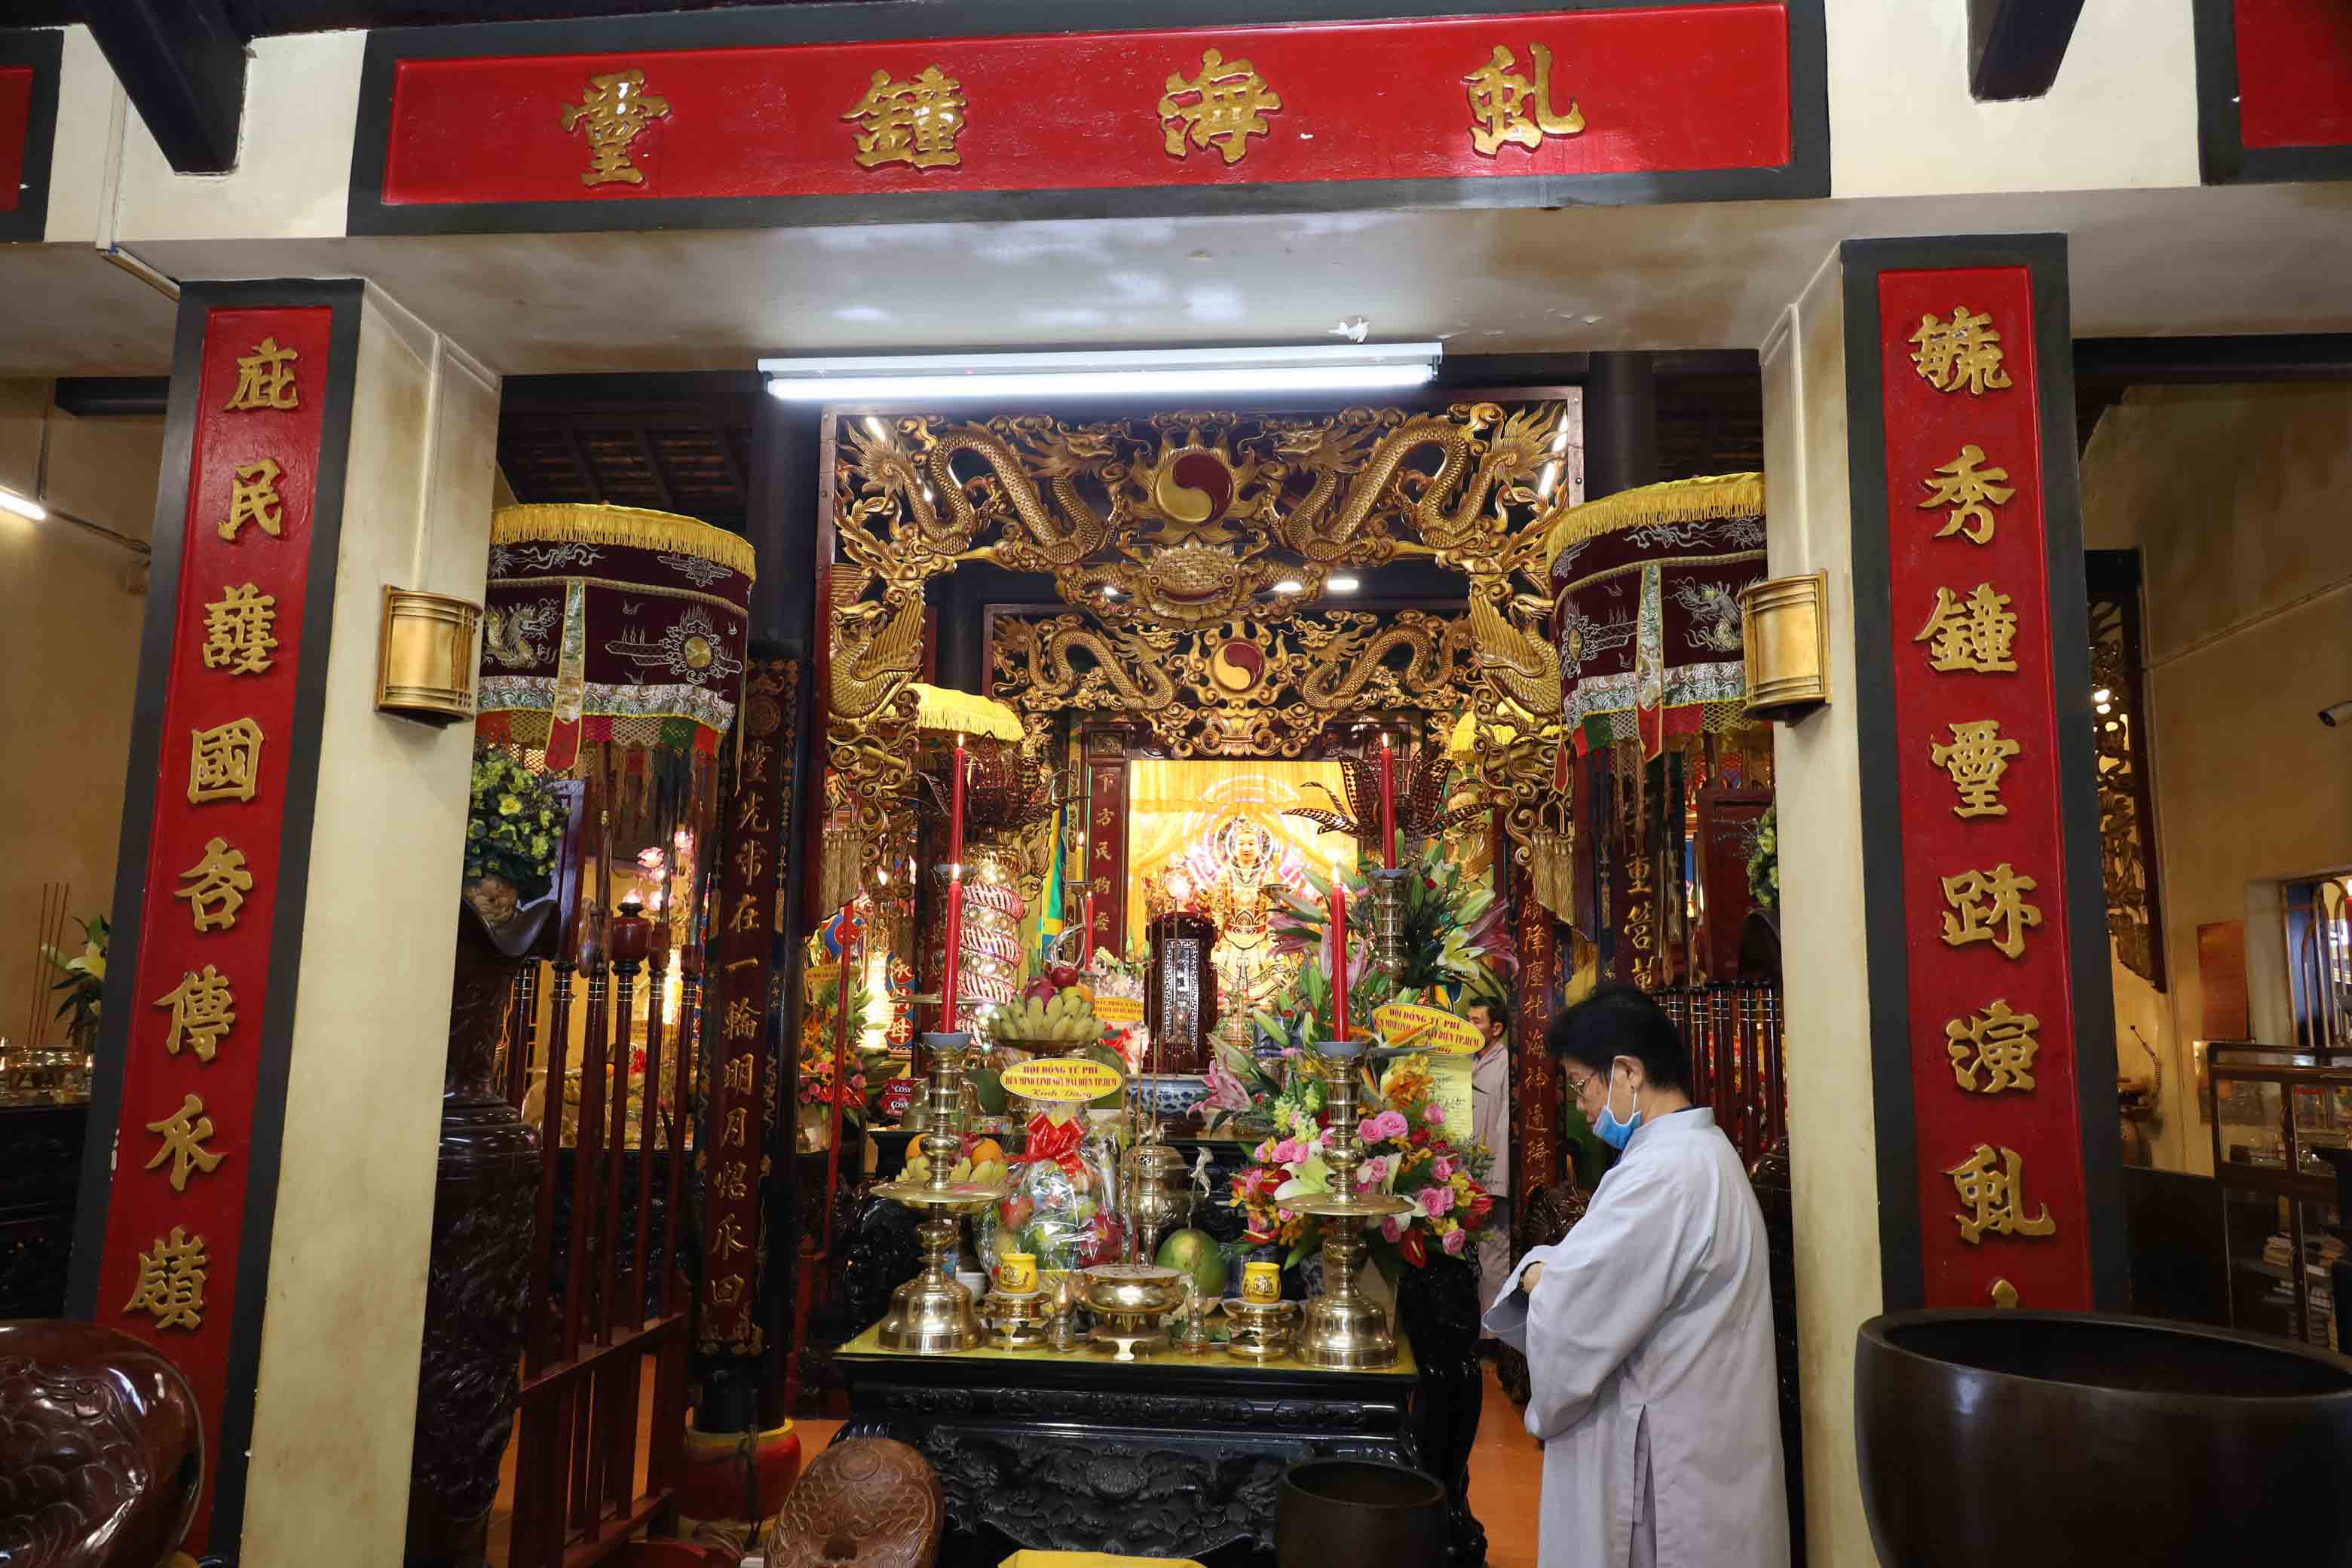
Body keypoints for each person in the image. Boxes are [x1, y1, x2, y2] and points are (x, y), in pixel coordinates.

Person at [1483, 983, 1787, 1568]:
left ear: (1626, 1072)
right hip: (1699, 1439)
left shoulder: (1666, 1173)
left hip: (1669, 1460)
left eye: (1582, 1085)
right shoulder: (1695, 1154)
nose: (1581, 1106)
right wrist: (1547, 1275)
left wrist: (1541, 1279)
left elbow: (1577, 1314)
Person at [1464, 995, 1514, 1303]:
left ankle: (1494, 1340)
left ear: (1496, 1028)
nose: (1468, 1027)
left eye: (1476, 1021)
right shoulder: (1467, 1061)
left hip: (1491, 1179)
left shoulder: (1506, 1063)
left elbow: (1505, 1124)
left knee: (1494, 1256)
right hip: (1463, 1175)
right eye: (1467, 1019)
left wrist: (1496, 1184)